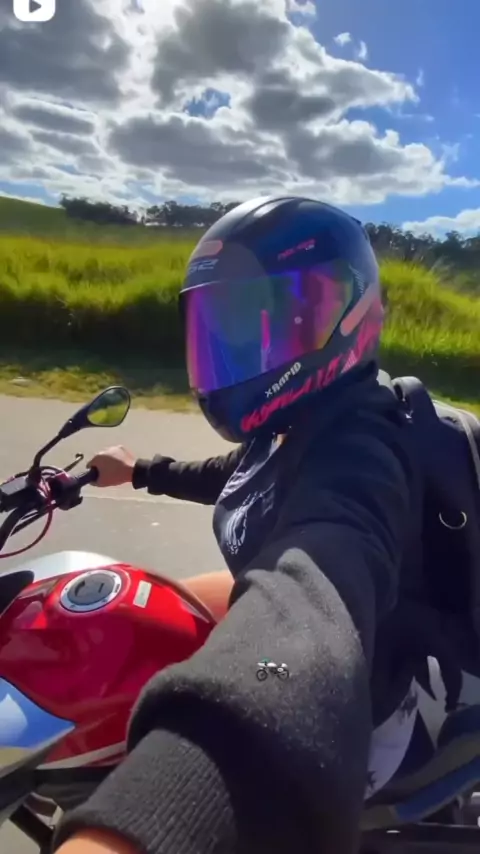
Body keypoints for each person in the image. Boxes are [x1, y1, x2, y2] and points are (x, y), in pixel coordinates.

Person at [54, 196, 421, 854]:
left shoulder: (362, 450)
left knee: (202, 669)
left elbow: (307, 613)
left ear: (347, 314)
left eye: (270, 323)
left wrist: (154, 815)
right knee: (140, 612)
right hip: (308, 631)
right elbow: (247, 473)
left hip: (359, 696)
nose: (241, 350)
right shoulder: (298, 421)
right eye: (224, 329)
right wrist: (142, 471)